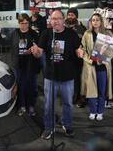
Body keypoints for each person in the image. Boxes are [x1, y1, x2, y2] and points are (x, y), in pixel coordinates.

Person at [30, 9, 81, 140]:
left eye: (58, 18)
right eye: (53, 19)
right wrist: (35, 52)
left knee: (68, 104)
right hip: (50, 77)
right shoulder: (46, 34)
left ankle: (67, 125)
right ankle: (49, 127)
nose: (56, 21)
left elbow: (78, 50)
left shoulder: (72, 34)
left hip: (67, 77)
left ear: (63, 20)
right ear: (50, 21)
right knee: (48, 105)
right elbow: (39, 52)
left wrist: (81, 53)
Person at [80, 13, 113, 121]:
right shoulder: (87, 34)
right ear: (91, 22)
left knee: (102, 90)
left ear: (101, 21)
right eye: (93, 20)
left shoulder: (108, 33)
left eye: (97, 20)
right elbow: (83, 49)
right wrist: (89, 59)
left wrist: (104, 59)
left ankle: (100, 111)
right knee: (91, 90)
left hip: (103, 67)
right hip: (91, 66)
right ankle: (92, 111)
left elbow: (112, 51)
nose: (95, 22)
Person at [11, 14, 40, 117]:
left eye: (26, 23)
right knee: (21, 86)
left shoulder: (34, 34)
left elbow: (38, 48)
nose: (24, 25)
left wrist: (33, 50)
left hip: (30, 64)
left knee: (31, 86)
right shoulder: (15, 33)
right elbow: (9, 45)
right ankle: (22, 106)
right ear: (19, 23)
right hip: (18, 64)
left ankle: (31, 106)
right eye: (22, 23)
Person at [65, 8, 87, 107]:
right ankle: (67, 97)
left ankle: (75, 97)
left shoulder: (81, 28)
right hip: (65, 58)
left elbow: (85, 43)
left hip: (77, 59)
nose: (70, 16)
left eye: (72, 15)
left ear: (76, 16)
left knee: (76, 79)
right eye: (69, 14)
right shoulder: (62, 27)